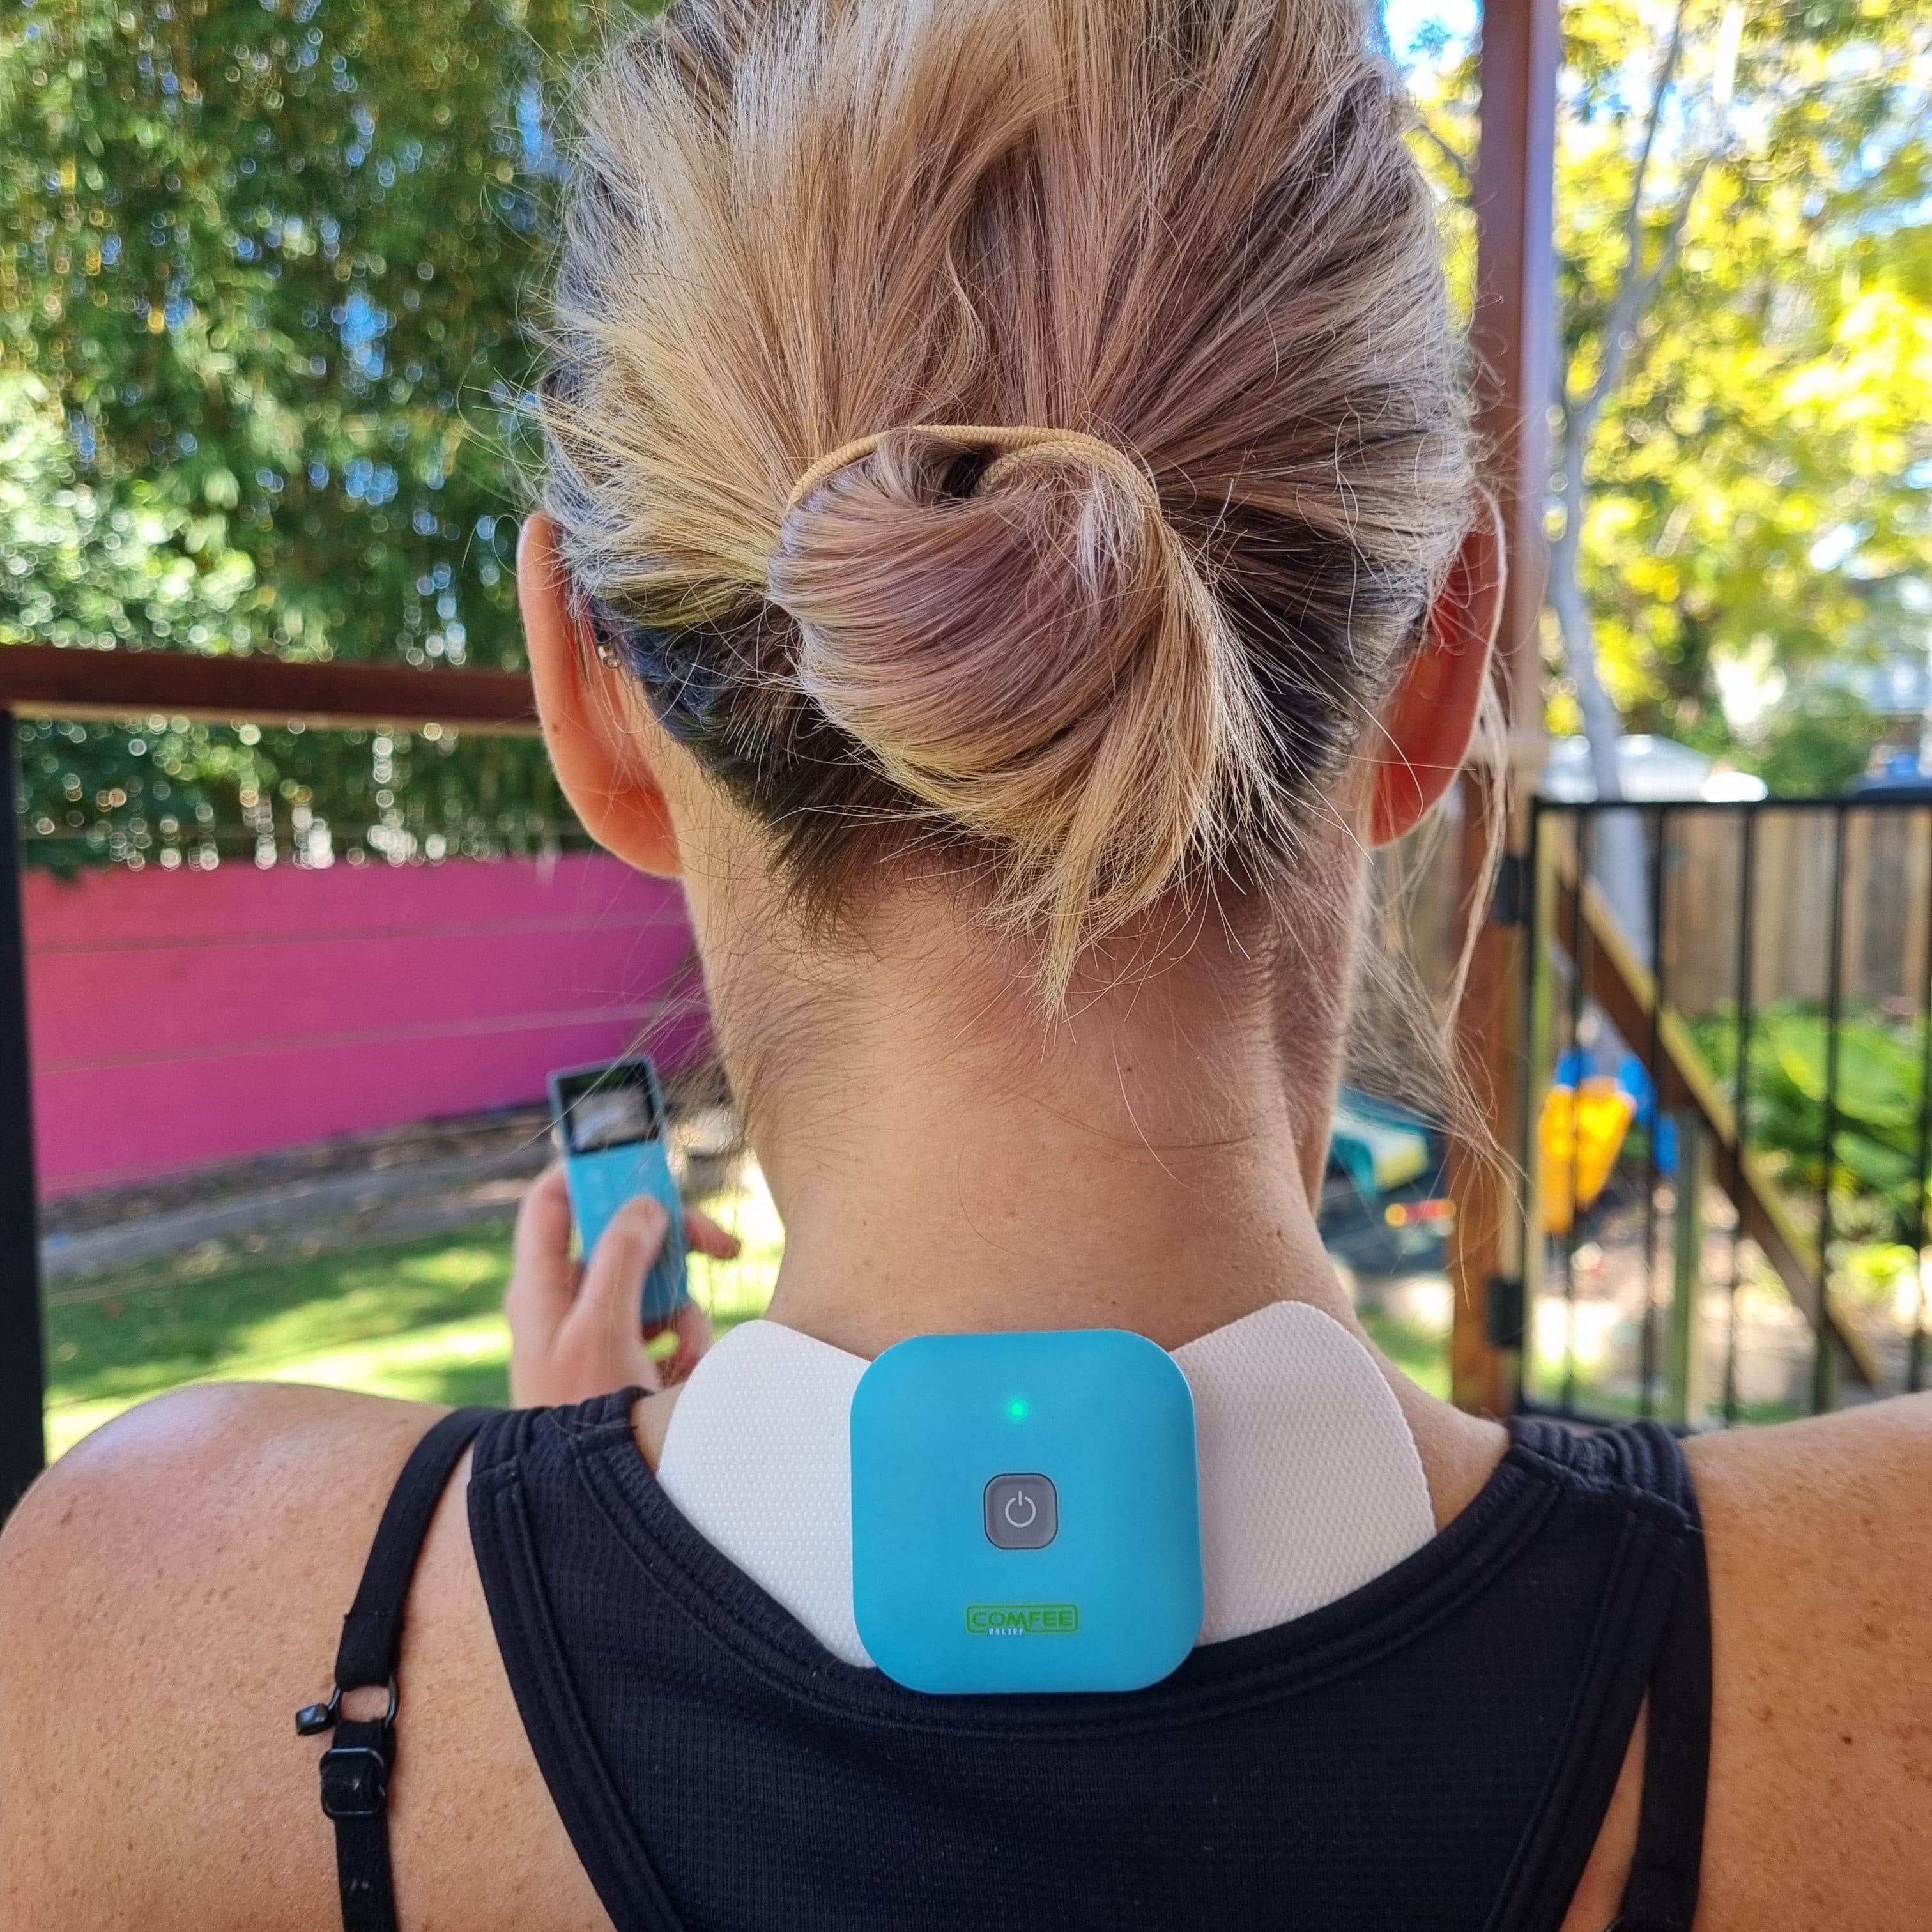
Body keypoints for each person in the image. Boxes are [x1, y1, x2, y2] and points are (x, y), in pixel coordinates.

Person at [3, 0, 1928, 1925]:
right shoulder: (1884, 1646)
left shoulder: (155, 1629)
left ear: (587, 701)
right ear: (1446, 671)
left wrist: (519, 1515)